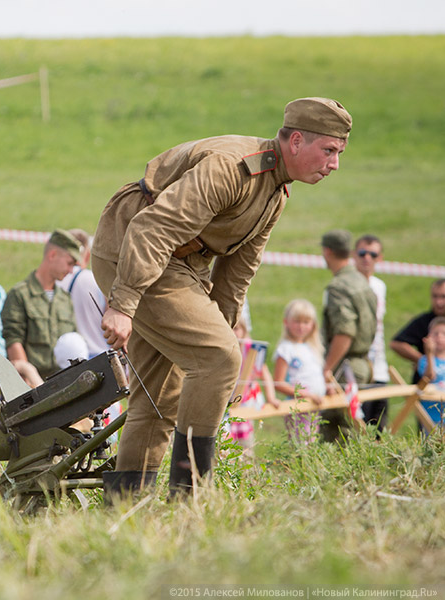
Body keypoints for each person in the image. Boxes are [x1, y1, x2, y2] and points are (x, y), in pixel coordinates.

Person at [91, 97, 351, 498]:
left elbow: (238, 271)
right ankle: (190, 495)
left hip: (177, 264)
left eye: (338, 153)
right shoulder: (232, 168)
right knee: (217, 357)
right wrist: (123, 304)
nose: (334, 164)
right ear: (296, 141)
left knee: (164, 395)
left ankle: (126, 505)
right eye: (329, 150)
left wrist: (226, 331)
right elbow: (152, 228)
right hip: (132, 251)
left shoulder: (276, 190)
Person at [318, 229, 377, 443]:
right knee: (351, 430)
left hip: (346, 368)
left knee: (337, 435)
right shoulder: (362, 281)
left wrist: (327, 369)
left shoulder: (339, 287)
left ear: (327, 252)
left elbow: (345, 332)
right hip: (362, 364)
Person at [2, 229, 81, 384]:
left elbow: (72, 341)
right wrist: (29, 385)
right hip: (31, 385)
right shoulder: (20, 295)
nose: (71, 270)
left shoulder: (65, 299)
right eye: (69, 263)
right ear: (52, 255)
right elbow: (13, 341)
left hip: (63, 384)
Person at [273, 299, 327, 444]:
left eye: (306, 322)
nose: (301, 326)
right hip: (298, 407)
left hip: (315, 406)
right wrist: (307, 395)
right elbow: (278, 383)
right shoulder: (285, 349)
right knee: (302, 445)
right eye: (297, 321)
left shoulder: (313, 348)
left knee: (312, 443)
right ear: (286, 322)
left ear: (313, 325)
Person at [353, 234, 389, 431]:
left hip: (379, 364)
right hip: (358, 366)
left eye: (373, 254)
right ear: (354, 255)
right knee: (358, 427)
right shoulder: (347, 286)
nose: (367, 258)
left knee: (379, 427)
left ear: (379, 258)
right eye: (362, 253)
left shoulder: (379, 286)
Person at [226, 319, 277, 455]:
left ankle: (246, 470)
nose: (233, 332)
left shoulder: (250, 349)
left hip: (245, 400)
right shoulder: (220, 349)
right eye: (230, 328)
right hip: (224, 403)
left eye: (236, 329)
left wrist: (271, 398)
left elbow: (265, 374)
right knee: (225, 443)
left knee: (246, 444)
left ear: (243, 330)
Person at [57, 229, 110, 359]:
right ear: (87, 255)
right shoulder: (97, 280)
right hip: (100, 357)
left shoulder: (54, 281)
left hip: (65, 359)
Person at [391, 279, 445, 384]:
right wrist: (424, 361)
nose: (439, 302)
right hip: (426, 387)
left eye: (443, 297)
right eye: (435, 296)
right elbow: (396, 343)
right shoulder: (424, 321)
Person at [418, 317, 445, 426]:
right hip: (430, 416)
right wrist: (429, 354)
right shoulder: (424, 360)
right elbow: (429, 377)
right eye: (435, 334)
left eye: (443, 334)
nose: (439, 337)